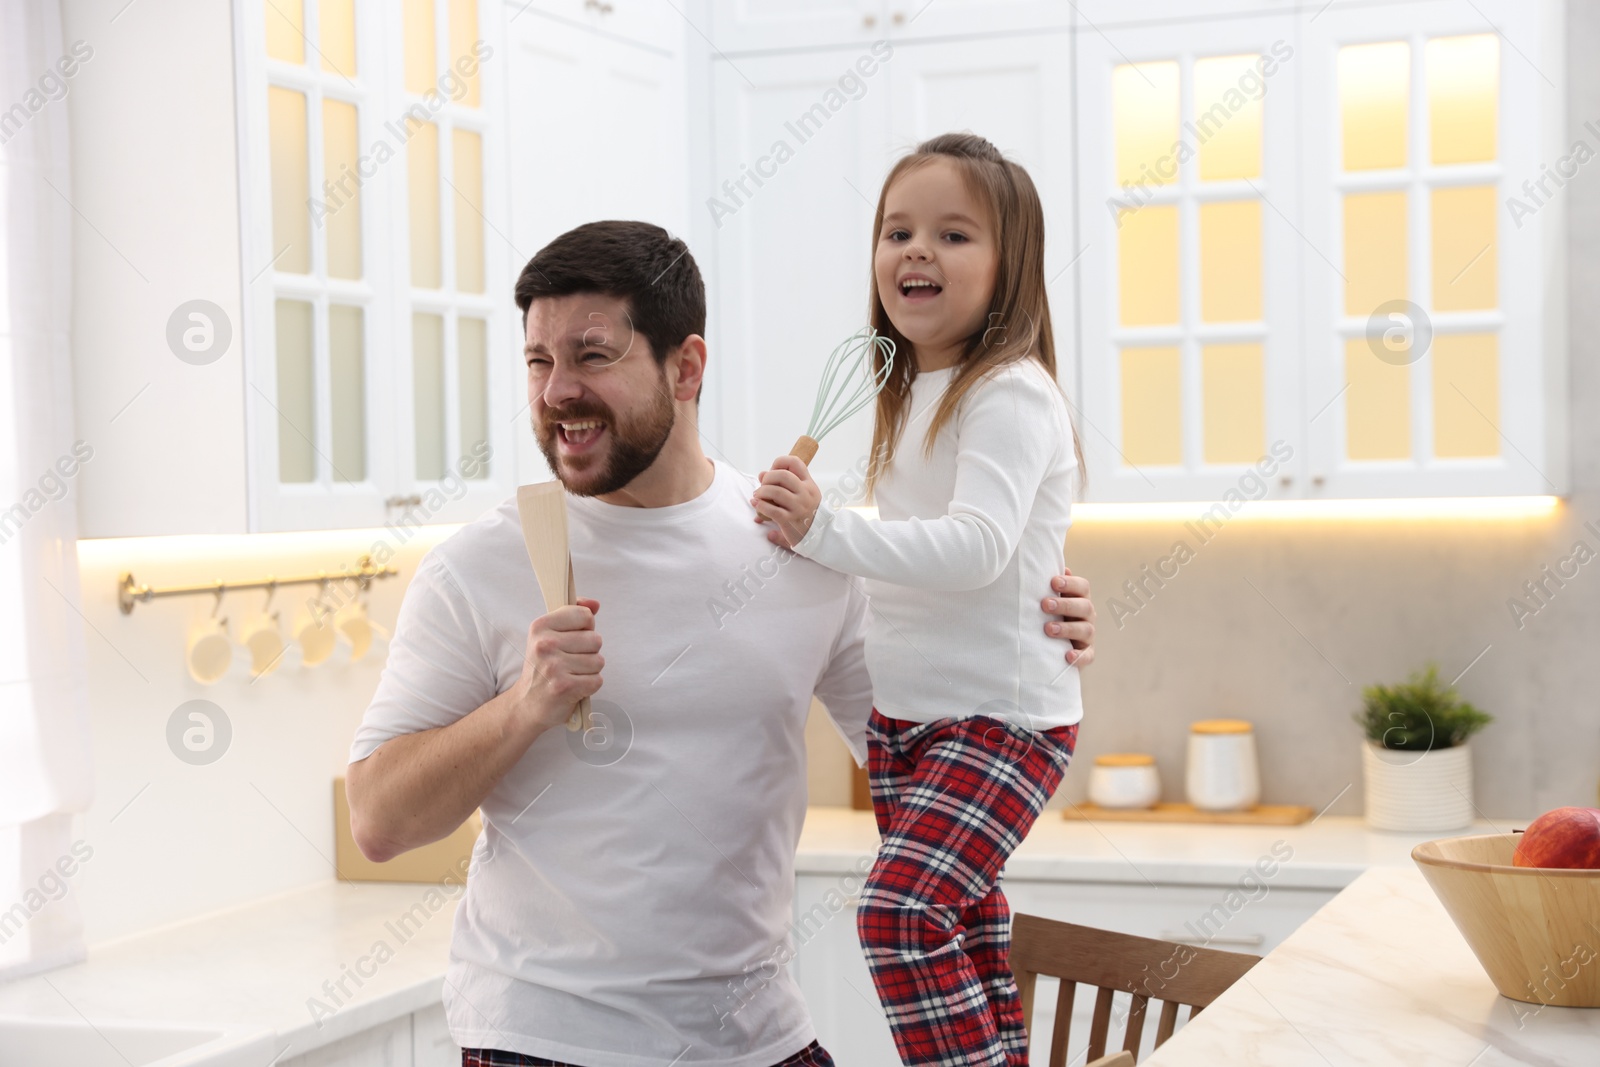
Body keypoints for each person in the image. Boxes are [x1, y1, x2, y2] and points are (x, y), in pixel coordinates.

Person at [344, 219, 1099, 1067]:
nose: (556, 391)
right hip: (545, 1040)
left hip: (756, 1037)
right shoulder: (482, 565)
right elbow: (378, 819)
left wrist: (1019, 631)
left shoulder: (799, 552)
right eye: (537, 360)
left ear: (687, 366)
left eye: (592, 356)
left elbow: (918, 745)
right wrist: (524, 707)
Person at [752, 134, 1085, 1067]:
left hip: (1001, 719)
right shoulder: (913, 389)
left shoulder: (1009, 392)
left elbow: (977, 549)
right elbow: (930, 549)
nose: (916, 251)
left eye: (953, 234)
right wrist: (817, 529)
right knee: (969, 933)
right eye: (897, 230)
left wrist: (823, 528)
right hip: (911, 723)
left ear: (1009, 265)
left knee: (902, 916)